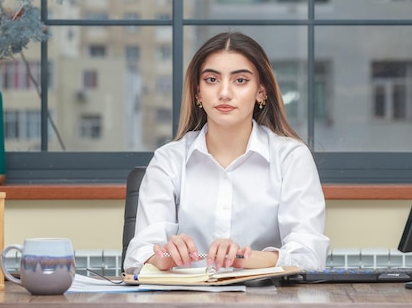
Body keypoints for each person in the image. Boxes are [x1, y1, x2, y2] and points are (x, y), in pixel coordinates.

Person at [123, 32, 329, 273]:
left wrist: (244, 259)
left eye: (240, 80)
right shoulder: (168, 160)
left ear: (261, 91)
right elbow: (137, 256)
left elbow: (310, 255)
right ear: (198, 92)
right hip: (184, 303)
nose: (224, 92)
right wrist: (162, 258)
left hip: (266, 302)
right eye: (211, 79)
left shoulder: (291, 157)